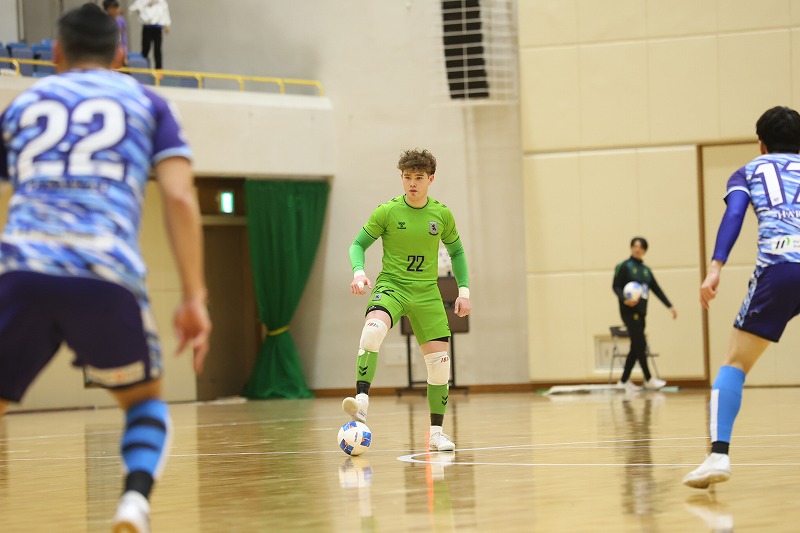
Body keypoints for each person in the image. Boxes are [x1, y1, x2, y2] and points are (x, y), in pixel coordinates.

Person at [0, 4, 210, 532]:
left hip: (22, 271)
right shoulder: (148, 101)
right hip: (105, 273)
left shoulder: (23, 104)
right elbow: (180, 198)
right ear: (121, 54)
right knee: (143, 404)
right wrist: (194, 296)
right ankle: (133, 502)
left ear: (55, 53)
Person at [684, 106, 800, 489]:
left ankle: (718, 455)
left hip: (780, 269)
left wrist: (715, 267)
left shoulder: (749, 171)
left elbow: (734, 216)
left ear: (761, 144)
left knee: (735, 362)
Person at [343, 149, 471, 452]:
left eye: (419, 177)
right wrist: (359, 272)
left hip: (427, 292)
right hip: (393, 287)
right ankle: (362, 400)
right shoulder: (387, 212)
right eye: (407, 177)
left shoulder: (441, 214)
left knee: (440, 365)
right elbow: (358, 244)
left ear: (431, 179)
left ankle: (437, 433)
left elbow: (457, 252)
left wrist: (464, 292)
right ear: (401, 177)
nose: (412, 183)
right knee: (372, 331)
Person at [612, 237, 677, 392]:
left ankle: (623, 381)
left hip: (641, 312)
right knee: (640, 344)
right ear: (631, 247)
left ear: (645, 250)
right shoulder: (624, 266)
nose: (637, 249)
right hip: (629, 312)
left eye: (641, 247)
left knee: (636, 346)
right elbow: (616, 286)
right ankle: (648, 378)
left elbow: (656, 289)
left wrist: (669, 306)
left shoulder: (646, 270)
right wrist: (624, 300)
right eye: (635, 246)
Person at [129, 0, 171, 70]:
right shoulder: (142, 1)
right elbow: (132, 9)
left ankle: (158, 69)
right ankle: (143, 66)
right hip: (147, 27)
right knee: (145, 48)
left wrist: (167, 25)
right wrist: (145, 4)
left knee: (157, 49)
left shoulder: (162, 2)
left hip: (157, 27)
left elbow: (165, 12)